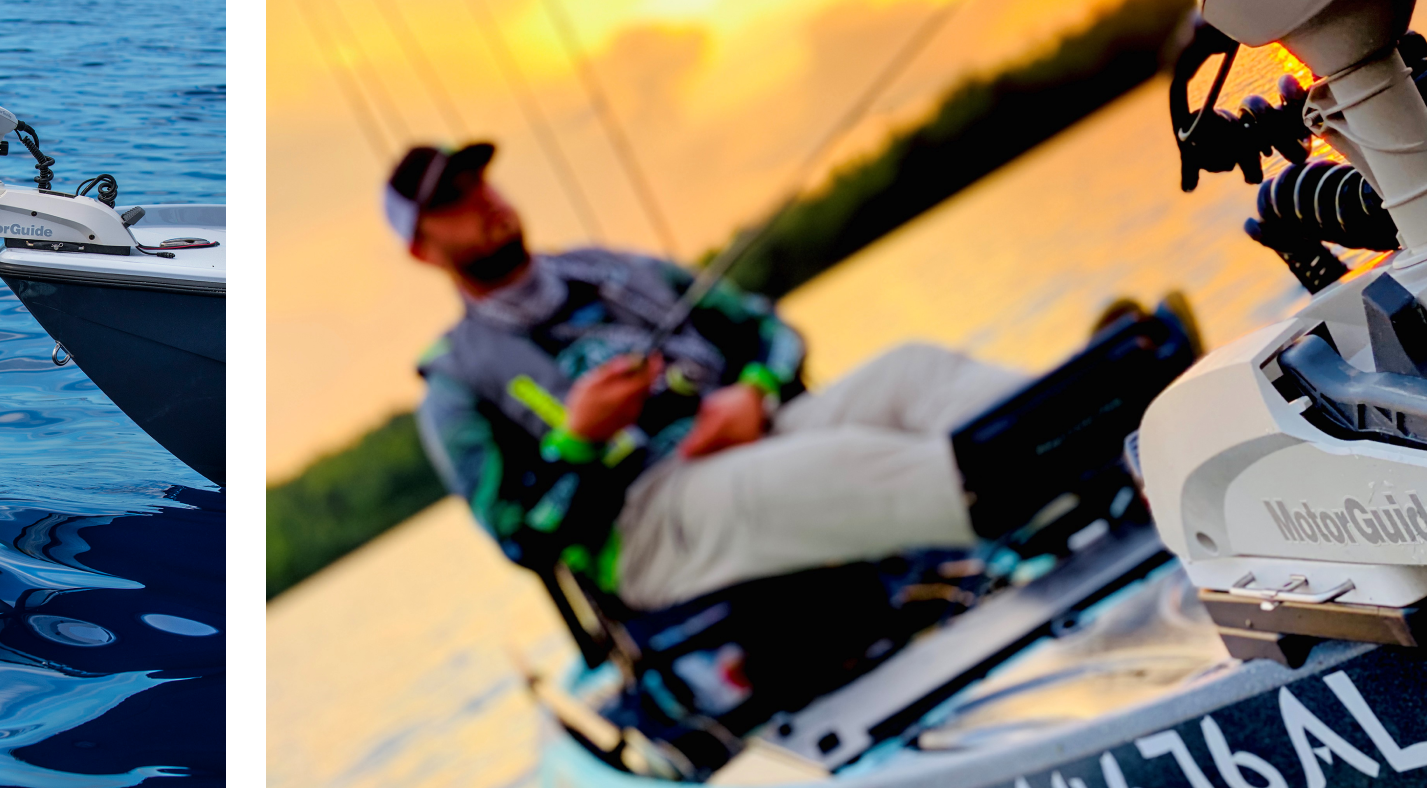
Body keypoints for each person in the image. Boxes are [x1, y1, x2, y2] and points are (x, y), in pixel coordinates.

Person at [394, 143, 1045, 612]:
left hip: (754, 436)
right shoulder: (454, 388)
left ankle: (1091, 427)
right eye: (451, 200)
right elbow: (521, 541)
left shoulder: (612, 268)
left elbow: (769, 329)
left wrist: (757, 391)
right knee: (829, 465)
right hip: (646, 527)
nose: (482, 199)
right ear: (423, 250)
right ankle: (1038, 497)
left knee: (911, 370)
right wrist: (580, 444)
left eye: (480, 179)